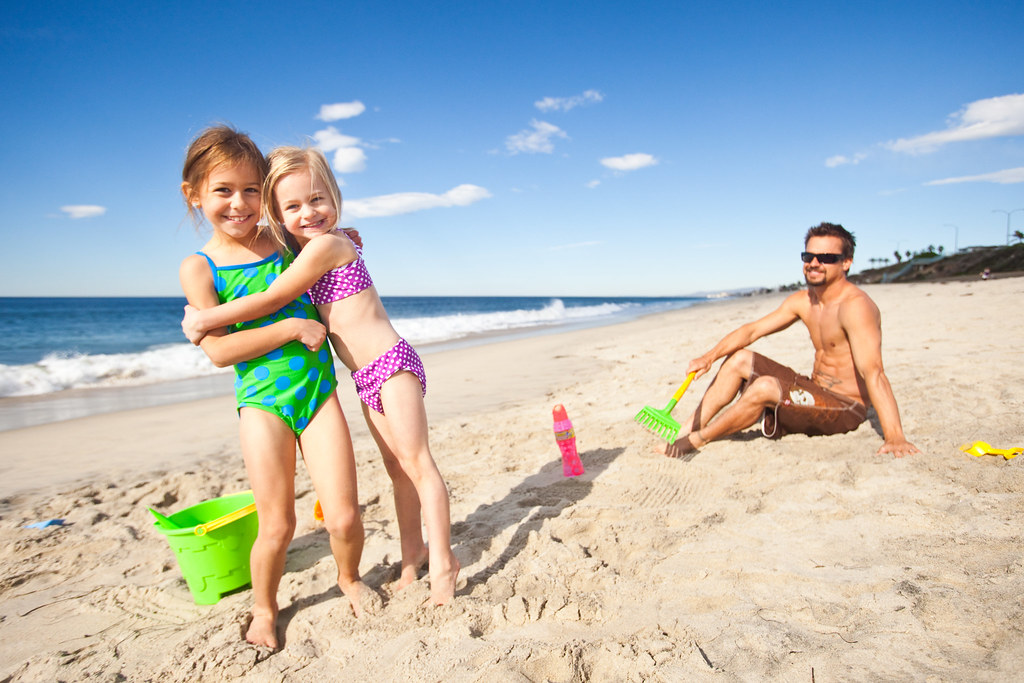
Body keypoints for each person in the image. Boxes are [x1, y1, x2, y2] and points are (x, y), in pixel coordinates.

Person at [182, 146, 460, 606]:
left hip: (389, 364)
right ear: (277, 211)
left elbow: (272, 297)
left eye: (317, 200)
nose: (308, 212)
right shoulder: (307, 244)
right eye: (292, 206)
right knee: (397, 471)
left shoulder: (327, 246)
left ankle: (444, 562)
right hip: (364, 376)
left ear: (334, 195)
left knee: (418, 465)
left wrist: (203, 320)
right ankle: (414, 557)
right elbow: (280, 253)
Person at [178, 127, 372, 649]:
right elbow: (218, 351)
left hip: (317, 392)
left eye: (249, 189)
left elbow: (317, 232)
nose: (239, 204)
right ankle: (265, 608)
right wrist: (290, 328)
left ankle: (349, 577)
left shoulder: (282, 239)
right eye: (223, 190)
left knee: (346, 515)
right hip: (263, 404)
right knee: (278, 524)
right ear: (193, 194)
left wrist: (342, 232)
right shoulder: (200, 267)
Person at [656, 222, 919, 460]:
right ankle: (686, 429)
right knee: (739, 358)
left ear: (846, 263)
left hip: (846, 406)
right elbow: (752, 331)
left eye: (826, 258)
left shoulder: (855, 307)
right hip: (815, 389)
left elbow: (874, 372)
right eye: (809, 256)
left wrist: (895, 436)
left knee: (766, 386)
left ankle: (696, 440)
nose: (815, 263)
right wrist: (708, 358)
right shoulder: (804, 301)